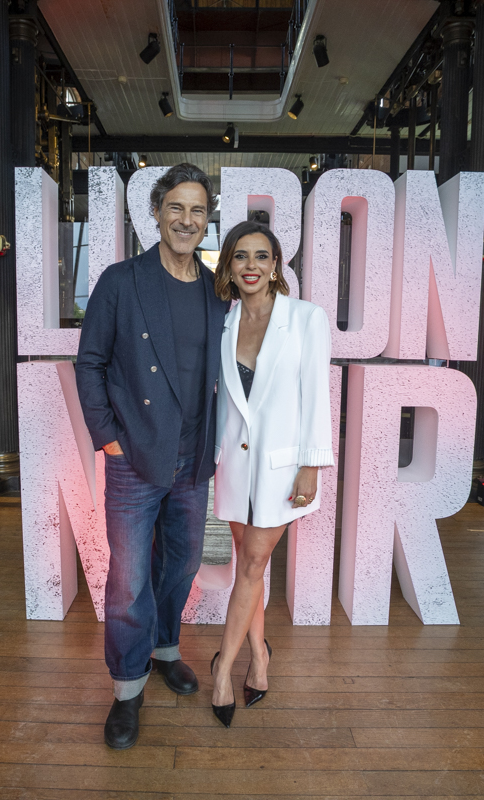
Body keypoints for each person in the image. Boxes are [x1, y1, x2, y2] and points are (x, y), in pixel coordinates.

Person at [75, 163, 230, 750]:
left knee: (182, 565)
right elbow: (90, 362)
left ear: (207, 220)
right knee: (128, 580)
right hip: (134, 458)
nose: (187, 220)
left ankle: (165, 649)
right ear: (157, 213)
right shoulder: (122, 281)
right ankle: (127, 688)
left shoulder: (215, 289)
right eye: (176, 208)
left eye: (197, 210)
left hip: (193, 459)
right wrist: (109, 438)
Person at [208, 220, 333, 728]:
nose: (251, 266)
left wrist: (312, 465)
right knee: (249, 567)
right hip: (235, 466)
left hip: (283, 470)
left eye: (261, 256)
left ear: (277, 265)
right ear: (229, 265)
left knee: (253, 565)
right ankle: (260, 656)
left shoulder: (305, 318)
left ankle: (223, 670)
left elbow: (316, 396)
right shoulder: (223, 321)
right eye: (241, 256)